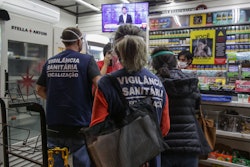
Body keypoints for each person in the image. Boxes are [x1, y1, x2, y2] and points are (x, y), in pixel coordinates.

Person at [90, 24, 170, 167]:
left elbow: (97, 129)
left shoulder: (107, 83)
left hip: (119, 160)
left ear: (117, 52)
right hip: (151, 160)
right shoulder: (158, 83)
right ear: (143, 49)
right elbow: (165, 128)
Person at [36, 27, 101, 167]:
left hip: (54, 125)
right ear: (79, 41)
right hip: (79, 125)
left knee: (55, 162)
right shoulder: (87, 60)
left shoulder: (50, 61)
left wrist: (56, 99)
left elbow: (39, 89)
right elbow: (100, 85)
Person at [150, 47, 211, 167]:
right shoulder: (189, 81)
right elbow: (196, 106)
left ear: (154, 64)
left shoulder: (153, 83)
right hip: (189, 144)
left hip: (163, 145)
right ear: (174, 61)